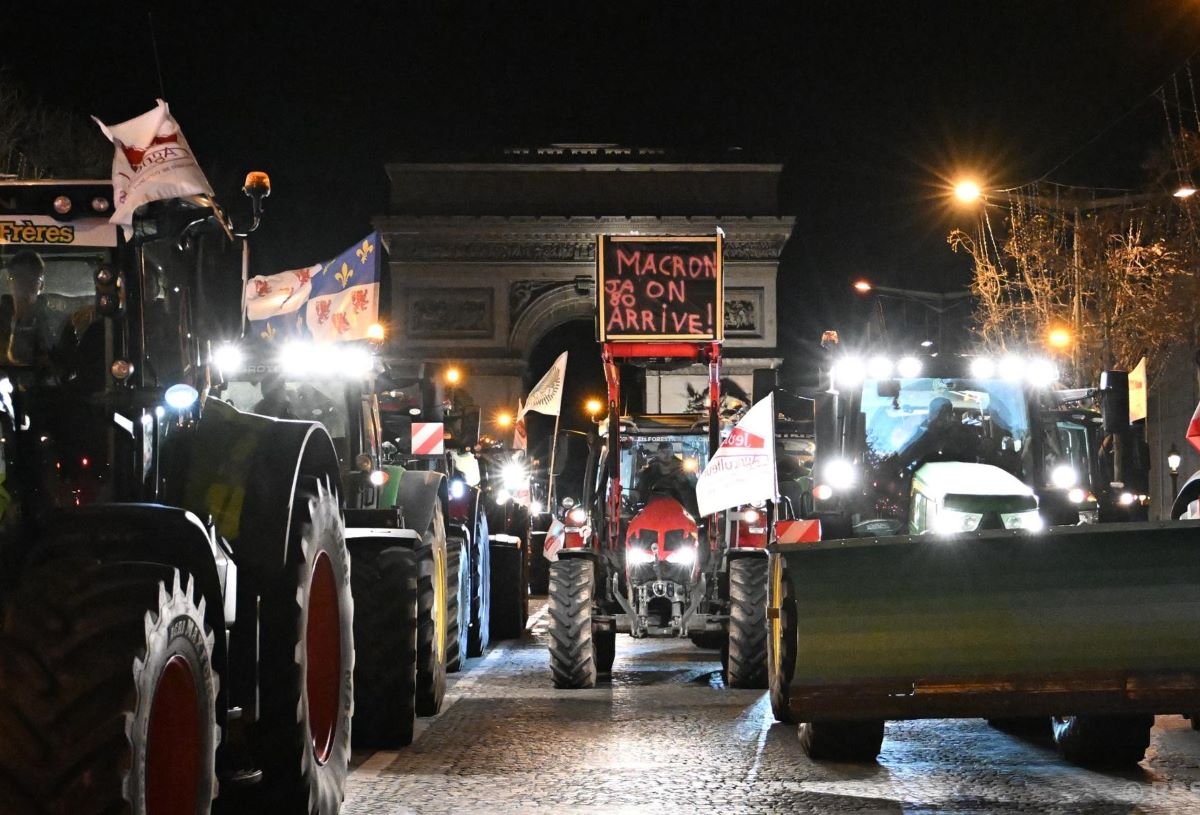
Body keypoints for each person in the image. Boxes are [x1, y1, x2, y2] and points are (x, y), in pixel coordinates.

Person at [0, 251, 69, 367]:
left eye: (32, 279)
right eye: (19, 279)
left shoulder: (59, 322)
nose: (25, 286)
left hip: (49, 384)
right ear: (9, 283)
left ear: (41, 285)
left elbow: (68, 365)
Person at [635, 441, 697, 515]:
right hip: (652, 512)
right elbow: (640, 493)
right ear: (658, 453)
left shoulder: (685, 471)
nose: (666, 454)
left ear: (672, 452)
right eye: (662, 451)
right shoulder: (648, 472)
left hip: (683, 513)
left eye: (668, 451)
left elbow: (695, 489)